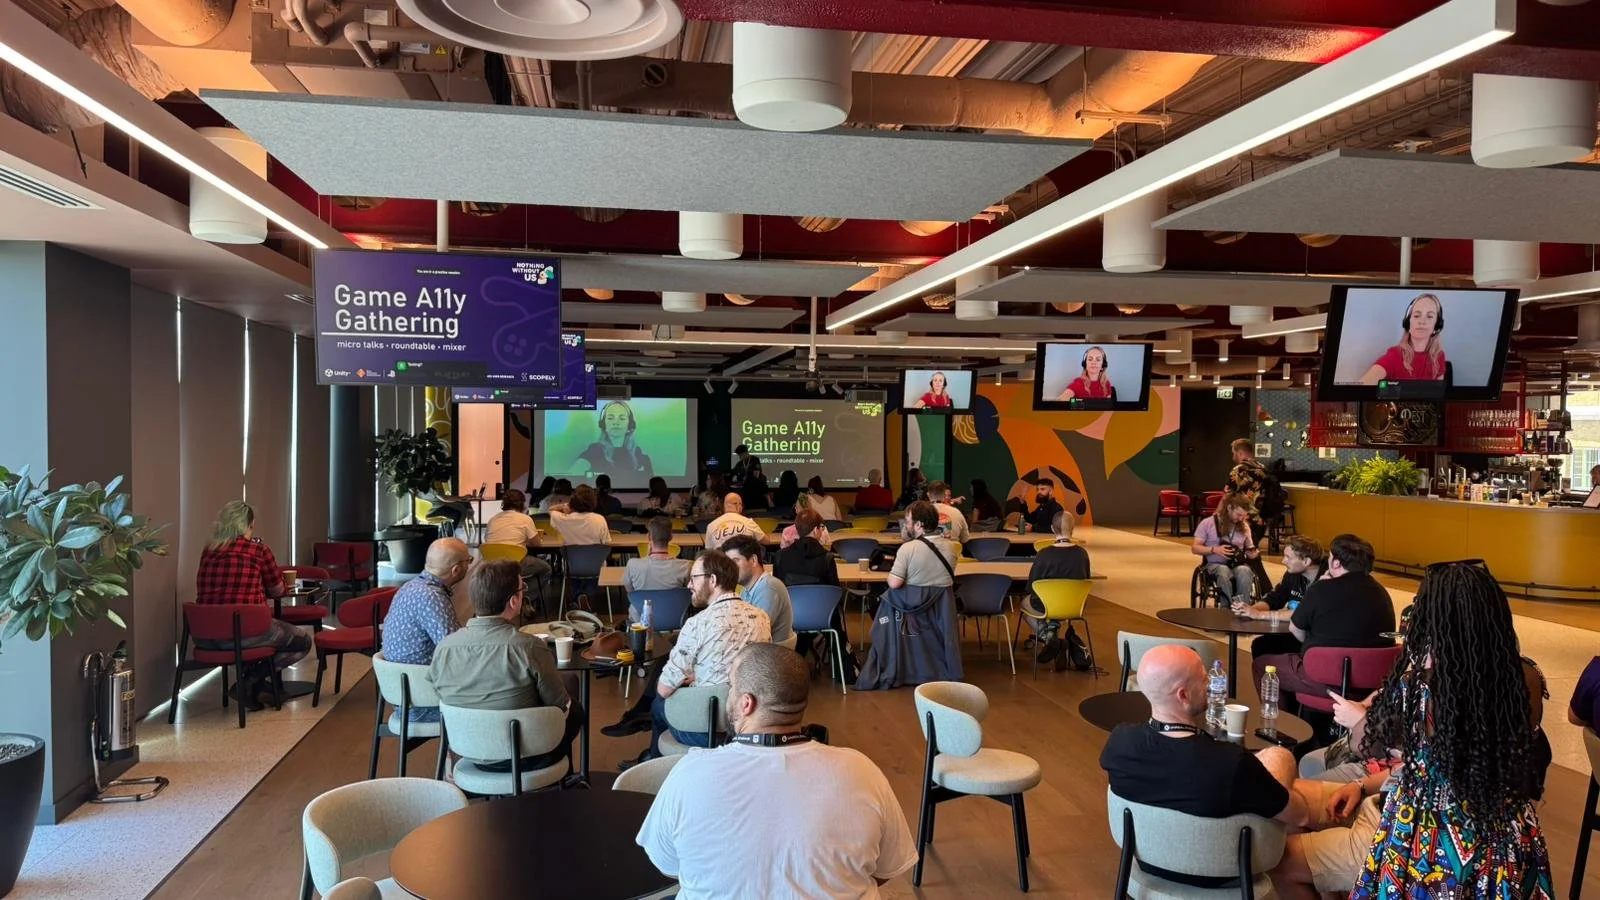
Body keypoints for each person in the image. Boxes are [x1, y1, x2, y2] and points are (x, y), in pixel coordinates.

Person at [637, 643, 917, 899]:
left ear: (747, 703)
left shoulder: (690, 774)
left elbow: (669, 866)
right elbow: (885, 869)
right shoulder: (862, 771)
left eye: (731, 687)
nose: (728, 695)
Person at [1340, 561, 1551, 898]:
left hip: (1428, 836)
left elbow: (1367, 744)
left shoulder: (1417, 690)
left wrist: (1357, 718)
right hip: (1505, 834)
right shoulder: (1526, 678)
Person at [1100, 645, 1309, 888]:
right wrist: (1278, 767)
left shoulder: (1119, 742)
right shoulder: (1231, 764)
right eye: (1203, 677)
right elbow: (1300, 813)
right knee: (1280, 757)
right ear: (1183, 695)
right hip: (1226, 872)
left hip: (1148, 861)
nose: (1211, 683)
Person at [429, 559, 583, 776]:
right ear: (513, 601)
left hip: (466, 750)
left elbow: (439, 692)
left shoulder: (444, 648)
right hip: (524, 755)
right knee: (575, 710)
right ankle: (560, 782)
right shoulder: (529, 647)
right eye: (523, 589)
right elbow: (560, 707)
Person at [645, 550, 771, 760]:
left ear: (712, 580)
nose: (689, 585)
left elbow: (665, 689)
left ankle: (656, 765)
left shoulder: (697, 623)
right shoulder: (761, 617)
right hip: (749, 724)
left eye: (694, 578)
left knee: (658, 704)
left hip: (708, 730)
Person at [194, 500, 311, 709]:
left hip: (207, 637)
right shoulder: (258, 550)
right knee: (302, 642)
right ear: (249, 525)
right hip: (244, 634)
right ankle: (250, 681)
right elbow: (277, 590)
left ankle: (256, 689)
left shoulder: (209, 550)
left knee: (264, 636)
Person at [1251, 533, 1395, 699]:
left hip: (1328, 680)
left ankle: (1287, 722)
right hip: (1372, 682)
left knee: (1262, 666)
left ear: (1336, 562)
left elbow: (1296, 630)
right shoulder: (1381, 593)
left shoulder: (1321, 588)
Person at [381, 538, 471, 722]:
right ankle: (459, 748)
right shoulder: (433, 597)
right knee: (493, 702)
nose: (469, 565)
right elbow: (455, 651)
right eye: (468, 561)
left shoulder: (409, 587)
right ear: (456, 569)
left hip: (402, 694)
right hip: (422, 703)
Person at [1233, 535, 1323, 659]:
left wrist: (1259, 615)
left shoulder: (1325, 581)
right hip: (1296, 632)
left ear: (1306, 561)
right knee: (1261, 645)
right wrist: (1250, 609)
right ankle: (1269, 678)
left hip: (1316, 638)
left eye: (1288, 557)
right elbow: (1275, 598)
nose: (1283, 561)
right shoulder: (1292, 575)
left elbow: (1303, 612)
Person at [1024, 510, 1091, 667]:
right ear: (1073, 529)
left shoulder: (1043, 554)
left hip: (1046, 606)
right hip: (1074, 606)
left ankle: (1049, 639)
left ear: (1053, 530)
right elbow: (1085, 578)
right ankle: (1053, 633)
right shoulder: (1082, 554)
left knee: (1026, 605)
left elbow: (1031, 587)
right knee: (1054, 606)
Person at [722, 534, 794, 648]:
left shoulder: (769, 588)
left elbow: (755, 634)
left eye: (735, 561)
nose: (730, 568)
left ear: (753, 560)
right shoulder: (747, 589)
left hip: (770, 658)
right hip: (759, 653)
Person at [1360, 292, 1448, 384]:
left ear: (1437, 325)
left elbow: (1438, 394)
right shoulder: (1394, 356)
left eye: (1429, 316)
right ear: (1407, 323)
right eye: (1417, 316)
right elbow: (1360, 387)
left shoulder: (1438, 356)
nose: (1422, 321)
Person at [1190, 492, 1258, 605]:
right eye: (1238, 514)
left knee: (1245, 571)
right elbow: (1195, 548)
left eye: (1243, 516)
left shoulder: (1244, 526)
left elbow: (1250, 547)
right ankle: (1226, 606)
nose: (1241, 518)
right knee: (1223, 570)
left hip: (1236, 564)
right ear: (1229, 508)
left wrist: (1253, 553)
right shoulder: (1207, 523)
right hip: (1213, 564)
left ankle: (1242, 606)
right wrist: (1214, 550)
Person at [482, 488, 555, 591]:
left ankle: (509, 593)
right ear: (522, 504)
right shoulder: (525, 519)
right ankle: (525, 597)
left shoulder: (492, 519)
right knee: (546, 569)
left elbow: (488, 541)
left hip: (493, 566)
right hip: (516, 564)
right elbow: (537, 544)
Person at [576, 400, 654, 480]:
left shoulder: (640, 456)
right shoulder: (594, 451)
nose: (616, 423)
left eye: (622, 418)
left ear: (630, 425)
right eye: (610, 418)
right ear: (603, 424)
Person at [888, 501, 957, 589]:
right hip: (944, 601)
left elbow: (894, 584)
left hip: (913, 601)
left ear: (918, 524)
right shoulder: (951, 547)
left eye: (908, 521)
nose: (906, 525)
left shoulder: (907, 548)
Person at [623, 516, 692, 595]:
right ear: (671, 537)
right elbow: (689, 591)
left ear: (648, 537)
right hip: (673, 607)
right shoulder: (685, 566)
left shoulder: (632, 565)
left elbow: (630, 592)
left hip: (641, 607)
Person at [774, 509, 838, 588]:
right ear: (815, 530)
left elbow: (777, 589)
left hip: (791, 600)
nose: (822, 530)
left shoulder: (780, 556)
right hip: (819, 600)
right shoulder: (827, 558)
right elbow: (835, 590)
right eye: (821, 527)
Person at [547, 484, 611, 546]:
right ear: (593, 501)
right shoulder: (600, 519)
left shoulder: (563, 519)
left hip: (570, 557)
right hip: (596, 556)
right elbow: (607, 543)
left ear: (572, 500)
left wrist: (565, 505)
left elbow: (550, 509)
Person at [1224, 438, 1267, 509]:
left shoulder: (1238, 469)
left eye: (1234, 453)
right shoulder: (1263, 468)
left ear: (1240, 453)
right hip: (1263, 514)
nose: (1233, 456)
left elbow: (1227, 492)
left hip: (1243, 514)